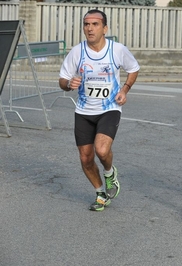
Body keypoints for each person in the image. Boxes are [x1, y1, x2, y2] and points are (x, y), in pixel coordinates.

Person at [59, 9, 140, 211]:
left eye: (95, 24)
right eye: (86, 24)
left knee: (102, 150)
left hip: (109, 108)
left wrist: (125, 89)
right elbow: (62, 79)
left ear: (105, 28)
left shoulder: (117, 50)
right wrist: (69, 83)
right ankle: (100, 193)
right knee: (86, 158)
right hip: (84, 111)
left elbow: (133, 68)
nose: (89, 28)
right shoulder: (77, 52)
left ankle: (109, 172)